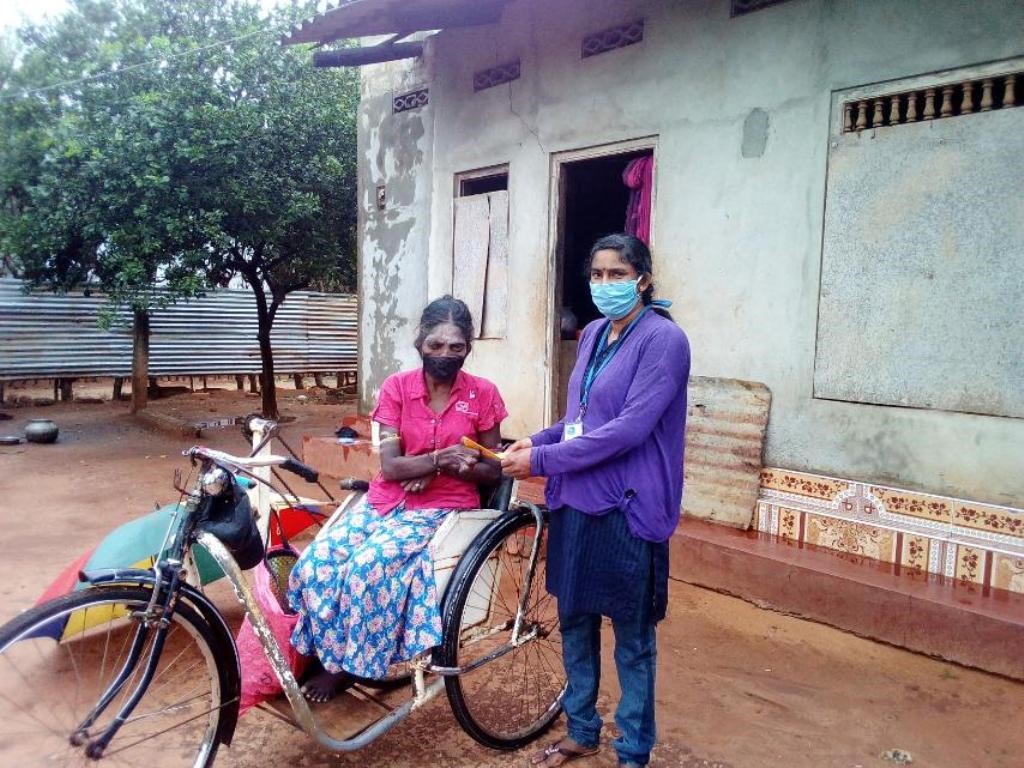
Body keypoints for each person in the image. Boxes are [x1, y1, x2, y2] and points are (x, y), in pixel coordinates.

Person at [501, 234, 690, 768]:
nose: (605, 284)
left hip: (630, 506)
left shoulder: (664, 341)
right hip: (578, 501)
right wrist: (536, 441)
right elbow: (579, 420)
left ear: (643, 280)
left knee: (632, 639)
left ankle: (633, 751)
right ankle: (582, 730)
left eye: (617, 274)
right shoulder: (592, 336)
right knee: (575, 622)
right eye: (597, 275)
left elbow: (629, 429)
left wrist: (540, 463)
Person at [287, 295, 507, 702]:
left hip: (445, 507)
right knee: (318, 562)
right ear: (420, 342)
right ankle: (329, 651)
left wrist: (428, 467)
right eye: (435, 345)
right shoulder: (397, 389)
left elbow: (493, 468)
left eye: (456, 347)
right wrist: (440, 459)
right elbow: (390, 467)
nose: (445, 355)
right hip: (388, 498)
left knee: (366, 568)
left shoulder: (483, 394)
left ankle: (351, 667)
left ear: (468, 347)